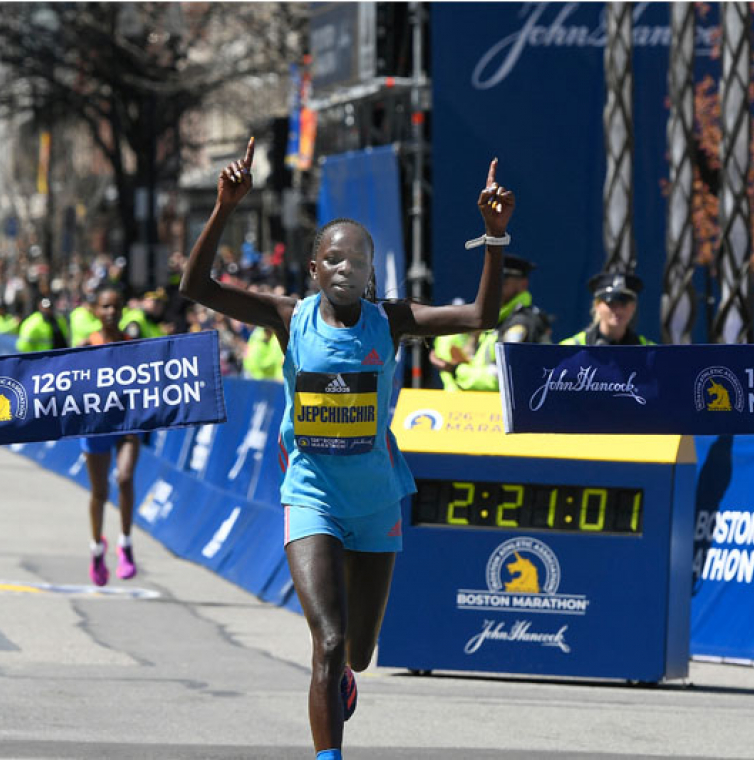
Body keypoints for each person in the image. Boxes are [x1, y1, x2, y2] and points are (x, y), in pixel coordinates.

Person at [180, 137, 511, 760]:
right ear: (314, 269)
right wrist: (226, 205)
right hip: (310, 498)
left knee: (358, 651)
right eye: (332, 259)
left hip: (376, 501)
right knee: (327, 644)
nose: (344, 269)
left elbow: (480, 317)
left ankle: (345, 678)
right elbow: (196, 286)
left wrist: (494, 236)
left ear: (371, 271)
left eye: (357, 261)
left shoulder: (392, 319)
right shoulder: (289, 317)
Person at [75, 284, 141, 586]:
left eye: (116, 306)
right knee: (99, 492)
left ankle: (125, 544)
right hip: (97, 424)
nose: (111, 312)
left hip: (126, 423)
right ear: (95, 310)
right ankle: (96, 549)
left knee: (125, 479)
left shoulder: (133, 345)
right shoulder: (86, 346)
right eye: (105, 307)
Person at [433, 253, 553, 391]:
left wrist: (456, 370)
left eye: (503, 281)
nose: (495, 286)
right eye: (493, 280)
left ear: (523, 284)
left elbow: (504, 377)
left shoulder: (521, 322)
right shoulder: (499, 318)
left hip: (506, 410)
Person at [560, 270, 655, 346]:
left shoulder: (650, 352)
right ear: (597, 306)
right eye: (611, 304)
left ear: (633, 307)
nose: (618, 310)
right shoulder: (570, 349)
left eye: (623, 304)